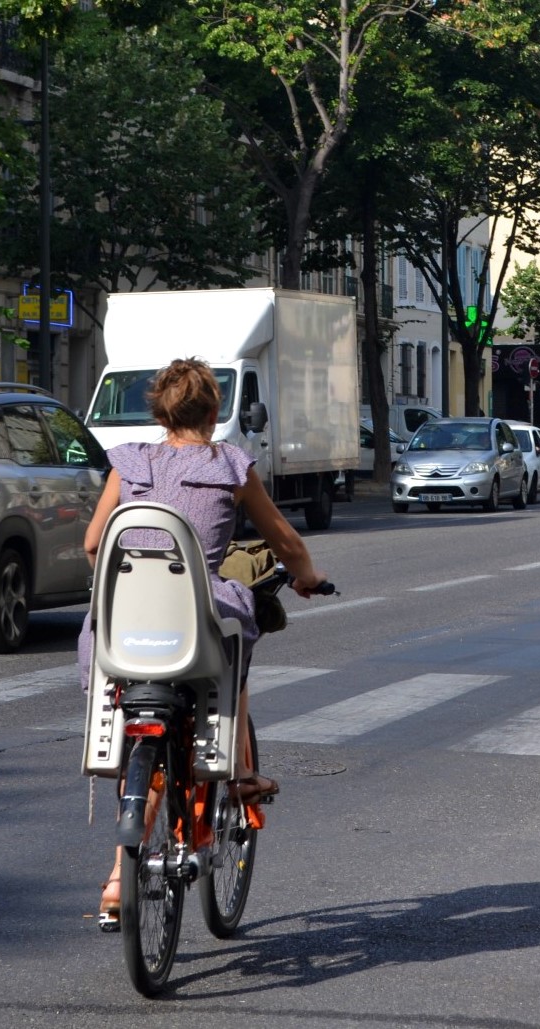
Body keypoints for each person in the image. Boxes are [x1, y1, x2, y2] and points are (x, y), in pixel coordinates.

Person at [81, 358, 327, 929]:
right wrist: (308, 576)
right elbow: (285, 542)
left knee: (127, 707)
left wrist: (126, 589)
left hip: (123, 625)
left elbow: (94, 544)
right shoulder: (230, 465)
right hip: (197, 621)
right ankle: (236, 771)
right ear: (215, 413)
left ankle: (119, 874)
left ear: (159, 413)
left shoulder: (127, 462)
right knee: (237, 647)